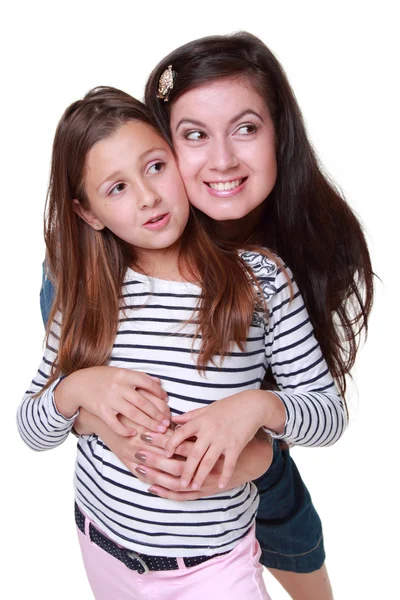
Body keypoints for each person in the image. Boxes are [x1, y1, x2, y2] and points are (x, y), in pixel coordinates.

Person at [39, 32, 374, 600]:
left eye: (246, 127)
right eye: (194, 135)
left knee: (285, 516)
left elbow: (314, 409)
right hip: (126, 515)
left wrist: (250, 431)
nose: (222, 159)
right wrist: (120, 435)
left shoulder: (284, 265)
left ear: (280, 133)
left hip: (240, 475)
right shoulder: (85, 273)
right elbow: (65, 399)